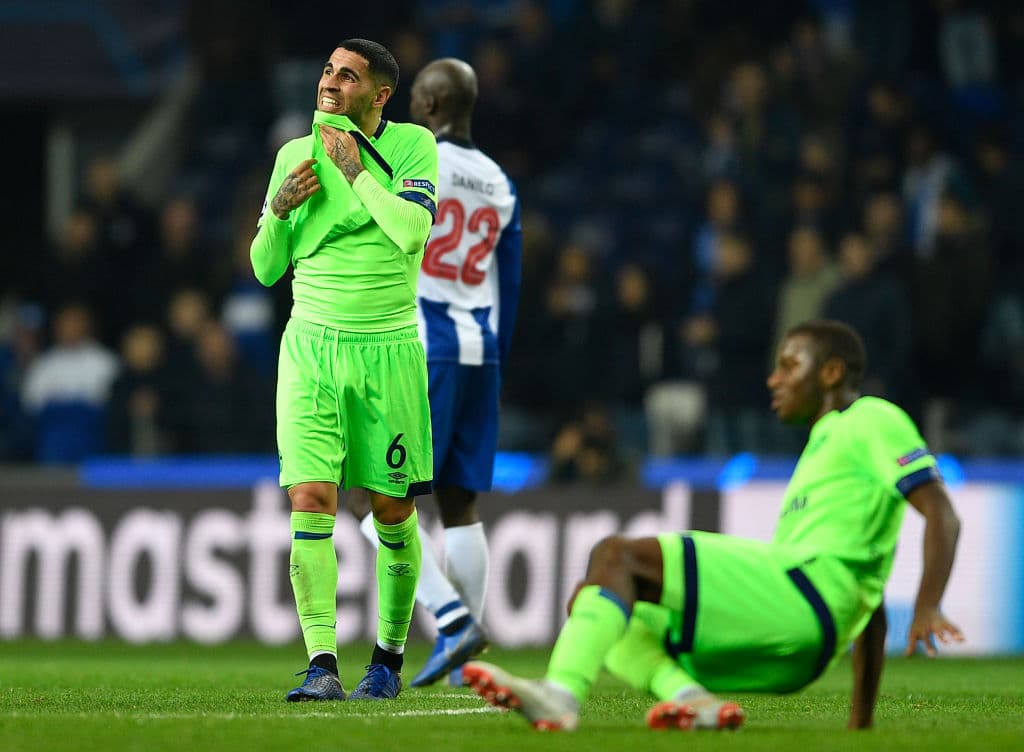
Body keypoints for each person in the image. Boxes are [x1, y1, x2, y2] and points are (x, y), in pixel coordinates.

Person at [465, 320, 964, 731]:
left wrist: (928, 604)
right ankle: (691, 699)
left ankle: (560, 694)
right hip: (806, 650)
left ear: (833, 372)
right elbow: (868, 601)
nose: (774, 379)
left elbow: (941, 509)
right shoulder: (825, 449)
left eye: (790, 365)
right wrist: (861, 724)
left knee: (617, 554)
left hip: (801, 599)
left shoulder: (870, 418)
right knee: (596, 603)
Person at [250, 38, 438, 702]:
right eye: (328, 70)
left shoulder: (414, 148)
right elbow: (265, 267)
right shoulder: (292, 158)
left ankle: (386, 659)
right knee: (309, 497)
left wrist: (356, 171)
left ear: (380, 94)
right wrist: (278, 214)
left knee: (391, 508)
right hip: (309, 348)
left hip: (386, 349)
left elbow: (411, 233)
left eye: (348, 76)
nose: (330, 82)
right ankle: (322, 664)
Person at [347, 57, 522, 688]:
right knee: (459, 502)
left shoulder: (415, 159)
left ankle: (450, 617)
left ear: (426, 105)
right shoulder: (499, 181)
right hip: (484, 349)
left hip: (422, 344)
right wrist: (498, 351)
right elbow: (513, 279)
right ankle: (466, 663)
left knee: (371, 494)